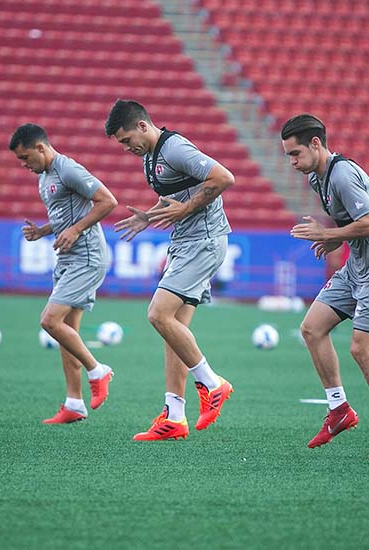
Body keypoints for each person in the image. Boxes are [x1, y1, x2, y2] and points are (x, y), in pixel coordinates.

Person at [280, 114, 369, 460]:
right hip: (358, 266)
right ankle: (339, 410)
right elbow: (351, 225)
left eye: (295, 154)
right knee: (311, 328)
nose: (292, 162)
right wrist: (334, 241)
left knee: (361, 349)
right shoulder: (317, 178)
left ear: (315, 144)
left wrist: (328, 235)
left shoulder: (343, 175)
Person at [106, 99, 235, 441]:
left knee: (158, 314)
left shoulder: (174, 147)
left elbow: (223, 177)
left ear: (143, 126)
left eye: (126, 139)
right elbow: (179, 196)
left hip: (203, 241)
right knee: (173, 330)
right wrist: (149, 216)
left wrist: (186, 210)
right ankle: (174, 416)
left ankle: (212, 382)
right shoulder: (149, 158)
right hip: (186, 242)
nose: (126, 147)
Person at [10, 123, 118, 423]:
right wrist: (44, 230)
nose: (24, 165)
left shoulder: (68, 169)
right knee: (67, 332)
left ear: (41, 148)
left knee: (49, 320)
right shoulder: (44, 177)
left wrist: (75, 229)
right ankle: (74, 403)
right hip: (68, 258)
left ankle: (98, 370)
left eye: (25, 157)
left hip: (87, 257)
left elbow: (108, 201)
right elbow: (67, 215)